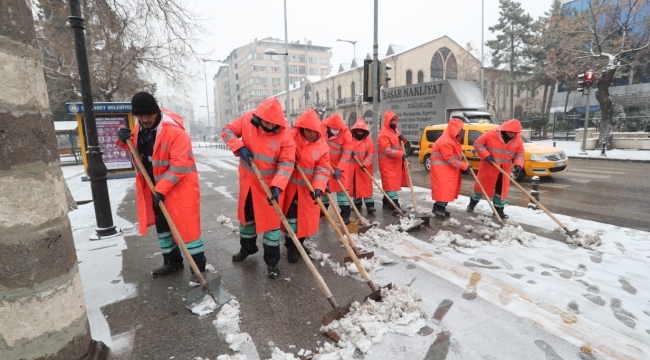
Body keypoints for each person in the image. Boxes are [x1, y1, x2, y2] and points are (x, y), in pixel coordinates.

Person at [116, 92, 206, 282]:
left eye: (148, 115)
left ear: (156, 112)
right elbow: (139, 153)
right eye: (140, 116)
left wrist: (161, 189)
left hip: (180, 189)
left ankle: (198, 271)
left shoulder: (174, 132)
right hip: (155, 188)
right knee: (163, 227)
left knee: (187, 231)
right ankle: (172, 262)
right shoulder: (140, 128)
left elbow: (180, 165)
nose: (145, 119)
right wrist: (124, 142)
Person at [221, 97, 296, 279]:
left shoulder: (285, 132)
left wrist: (278, 185)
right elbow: (227, 131)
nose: (269, 127)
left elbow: (287, 162)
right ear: (259, 117)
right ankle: (247, 247)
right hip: (249, 182)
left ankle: (272, 262)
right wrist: (239, 147)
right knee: (247, 219)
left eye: (273, 124)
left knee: (272, 225)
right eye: (266, 123)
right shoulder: (247, 120)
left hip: (270, 186)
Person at [282, 109, 330, 263]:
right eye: (308, 130)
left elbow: (323, 168)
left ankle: (300, 244)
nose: (311, 134)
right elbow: (283, 153)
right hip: (291, 189)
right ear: (302, 128)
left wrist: (319, 186)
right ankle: (291, 246)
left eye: (314, 131)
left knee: (305, 221)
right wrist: (290, 159)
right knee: (292, 220)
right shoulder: (291, 137)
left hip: (308, 190)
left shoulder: (322, 146)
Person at [466, 119, 525, 219]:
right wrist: (486, 155)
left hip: (504, 170)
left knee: (500, 191)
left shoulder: (517, 139)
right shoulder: (491, 134)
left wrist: (518, 164)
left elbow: (520, 152)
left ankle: (499, 210)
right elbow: (477, 144)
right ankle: (472, 204)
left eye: (514, 133)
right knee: (480, 188)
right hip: (489, 167)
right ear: (505, 129)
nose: (512, 135)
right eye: (510, 132)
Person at [429, 118, 469, 218]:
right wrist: (464, 166)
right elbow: (450, 160)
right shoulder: (445, 141)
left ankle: (442, 208)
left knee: (447, 190)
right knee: (443, 190)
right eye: (459, 129)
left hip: (448, 170)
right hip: (442, 170)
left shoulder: (452, 139)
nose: (461, 131)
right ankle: (437, 208)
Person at [321, 113, 353, 224]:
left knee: (342, 190)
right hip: (324, 164)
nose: (336, 131)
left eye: (337, 129)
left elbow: (346, 153)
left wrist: (340, 168)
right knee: (323, 187)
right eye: (333, 129)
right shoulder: (322, 129)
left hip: (339, 165)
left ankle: (345, 214)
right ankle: (323, 209)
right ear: (328, 127)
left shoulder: (346, 133)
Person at [377, 110, 409, 211]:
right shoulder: (383, 134)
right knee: (390, 184)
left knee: (392, 184)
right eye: (392, 121)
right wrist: (401, 154)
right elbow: (386, 150)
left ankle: (387, 202)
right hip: (387, 164)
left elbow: (399, 144)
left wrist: (403, 139)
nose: (394, 122)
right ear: (387, 121)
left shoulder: (395, 131)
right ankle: (395, 204)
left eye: (395, 120)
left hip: (395, 163)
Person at [348, 118, 375, 214]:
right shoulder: (350, 140)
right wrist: (348, 152)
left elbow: (371, 154)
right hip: (353, 169)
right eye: (358, 130)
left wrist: (365, 164)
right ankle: (357, 204)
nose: (359, 133)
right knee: (355, 187)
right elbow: (345, 151)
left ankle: (370, 205)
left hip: (364, 169)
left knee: (366, 187)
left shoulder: (368, 141)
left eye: (361, 131)